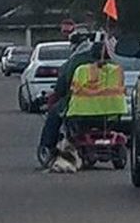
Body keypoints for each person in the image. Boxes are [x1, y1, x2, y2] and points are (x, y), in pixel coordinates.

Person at [36, 32, 105, 168]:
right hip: (107, 106)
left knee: (54, 115)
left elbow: (61, 87)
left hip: (77, 104)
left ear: (74, 45)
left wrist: (55, 94)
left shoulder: (74, 61)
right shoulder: (109, 63)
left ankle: (47, 146)